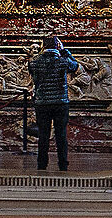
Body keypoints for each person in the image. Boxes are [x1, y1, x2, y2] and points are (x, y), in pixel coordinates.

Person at [27, 36, 78, 172]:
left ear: (43, 46)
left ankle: (42, 164)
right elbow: (75, 66)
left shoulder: (35, 62)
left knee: (43, 135)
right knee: (61, 134)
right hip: (60, 103)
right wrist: (65, 51)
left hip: (42, 103)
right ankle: (63, 164)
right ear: (57, 46)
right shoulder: (63, 61)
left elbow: (33, 73)